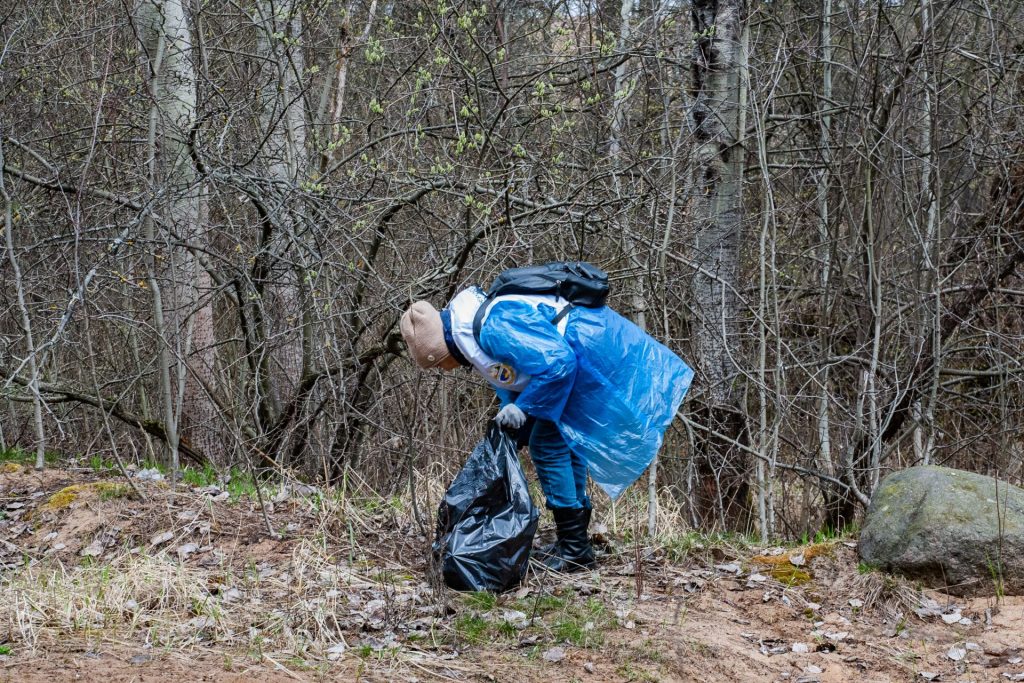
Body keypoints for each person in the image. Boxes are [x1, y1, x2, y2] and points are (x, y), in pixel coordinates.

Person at [401, 280, 692, 572]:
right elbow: (516, 373)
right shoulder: (476, 326)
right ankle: (576, 542)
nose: (444, 370)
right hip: (586, 351)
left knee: (547, 443)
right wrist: (511, 413)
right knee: (566, 440)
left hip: (587, 354)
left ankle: (575, 548)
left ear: (441, 349)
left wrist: (524, 408)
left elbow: (558, 364)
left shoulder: (492, 327)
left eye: (438, 363)